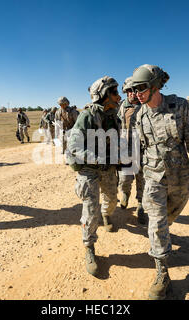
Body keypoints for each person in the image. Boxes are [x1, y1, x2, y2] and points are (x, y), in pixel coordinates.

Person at [133, 64, 189, 299]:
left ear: (155, 86)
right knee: (156, 221)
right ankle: (162, 272)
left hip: (180, 176)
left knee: (170, 216)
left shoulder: (180, 107)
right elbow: (140, 149)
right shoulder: (139, 115)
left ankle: (165, 231)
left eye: (142, 88)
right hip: (153, 176)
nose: (137, 94)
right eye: (135, 90)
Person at [67, 76, 121, 277]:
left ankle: (107, 214)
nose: (118, 96)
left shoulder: (114, 116)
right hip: (89, 168)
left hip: (108, 167)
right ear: (103, 96)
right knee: (90, 208)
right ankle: (89, 247)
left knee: (112, 199)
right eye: (114, 92)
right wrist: (97, 159)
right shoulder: (87, 116)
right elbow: (73, 147)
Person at [117, 77, 146, 225]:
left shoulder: (146, 105)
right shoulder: (121, 106)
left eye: (135, 90)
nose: (132, 94)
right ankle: (126, 194)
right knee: (124, 179)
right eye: (129, 91)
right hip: (126, 149)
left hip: (143, 149)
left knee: (142, 178)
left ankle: (141, 204)